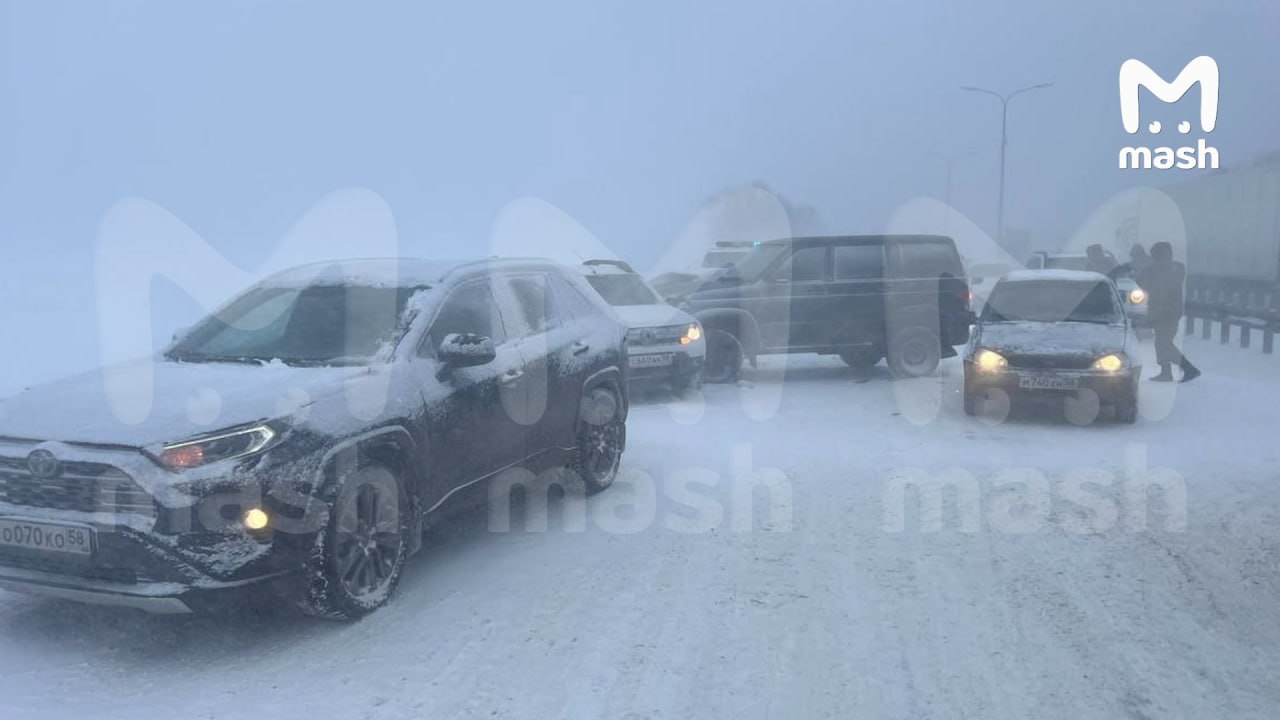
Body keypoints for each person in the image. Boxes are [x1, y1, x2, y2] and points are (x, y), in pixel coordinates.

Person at [1137, 241, 1200, 382]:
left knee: (1164, 343)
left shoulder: (1172, 269)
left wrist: (1149, 270)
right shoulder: (1171, 268)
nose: (1156, 260)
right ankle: (1166, 372)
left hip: (1168, 312)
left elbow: (1151, 284)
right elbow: (1142, 282)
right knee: (1161, 342)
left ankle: (1188, 368)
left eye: (1157, 256)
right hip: (1162, 311)